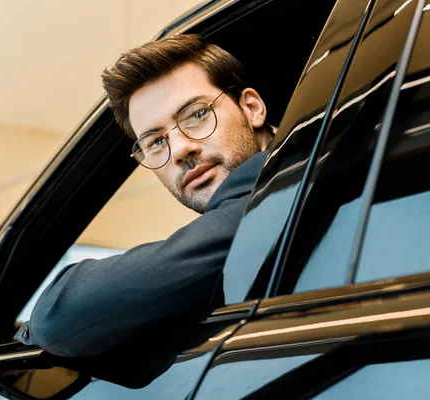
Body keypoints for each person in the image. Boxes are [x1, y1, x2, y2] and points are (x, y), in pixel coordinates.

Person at [15, 34, 273, 357]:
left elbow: (57, 316)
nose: (179, 150)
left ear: (252, 108)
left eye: (196, 114)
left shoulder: (281, 192)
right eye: (155, 142)